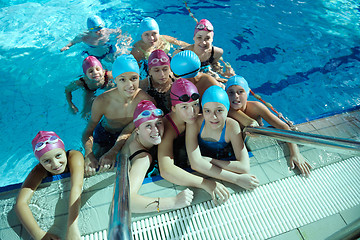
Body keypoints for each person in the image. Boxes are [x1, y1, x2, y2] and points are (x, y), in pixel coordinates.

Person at [158, 78, 229, 205]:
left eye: (195, 104)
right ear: (173, 108)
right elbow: (166, 170)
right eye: (184, 107)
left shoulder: (200, 115)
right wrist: (206, 183)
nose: (192, 112)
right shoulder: (168, 128)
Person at [225, 75, 312, 176]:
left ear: (247, 93)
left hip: (257, 141)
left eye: (240, 91)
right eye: (231, 92)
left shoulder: (256, 107)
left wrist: (295, 152)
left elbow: (283, 127)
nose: (235, 96)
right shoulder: (224, 111)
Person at [82, 54, 153, 176]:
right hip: (106, 133)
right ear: (115, 80)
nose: (130, 85)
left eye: (134, 78)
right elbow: (88, 132)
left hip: (130, 134)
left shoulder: (145, 100)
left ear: (139, 77)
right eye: (122, 79)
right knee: (94, 167)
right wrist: (89, 155)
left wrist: (114, 150)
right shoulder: (102, 101)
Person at [120, 100, 193, 213]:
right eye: (148, 125)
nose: (156, 130)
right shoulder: (143, 159)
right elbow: (126, 201)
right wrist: (174, 201)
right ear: (137, 130)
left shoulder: (140, 134)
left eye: (158, 122)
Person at [186, 85, 259, 191]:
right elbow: (195, 164)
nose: (213, 117)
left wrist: (209, 160)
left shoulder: (232, 126)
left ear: (227, 109)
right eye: (207, 111)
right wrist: (237, 179)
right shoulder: (195, 123)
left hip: (217, 157)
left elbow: (244, 167)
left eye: (219, 110)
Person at [16, 131, 84, 240]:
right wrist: (38, 234)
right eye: (47, 161)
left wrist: (72, 227)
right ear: (40, 162)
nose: (55, 164)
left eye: (58, 156)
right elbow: (21, 203)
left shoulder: (75, 156)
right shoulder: (39, 170)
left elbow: (76, 187)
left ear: (63, 150)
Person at [60, 15, 126, 62]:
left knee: (118, 60)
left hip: (108, 50)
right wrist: (67, 46)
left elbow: (118, 31)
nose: (100, 33)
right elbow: (72, 42)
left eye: (101, 30)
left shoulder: (107, 31)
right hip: (94, 54)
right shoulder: (84, 37)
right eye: (96, 32)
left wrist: (119, 40)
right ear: (90, 31)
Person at [139, 49, 175, 114]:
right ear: (150, 72)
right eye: (156, 70)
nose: (162, 74)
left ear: (170, 69)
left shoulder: (176, 83)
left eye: (165, 69)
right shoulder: (142, 86)